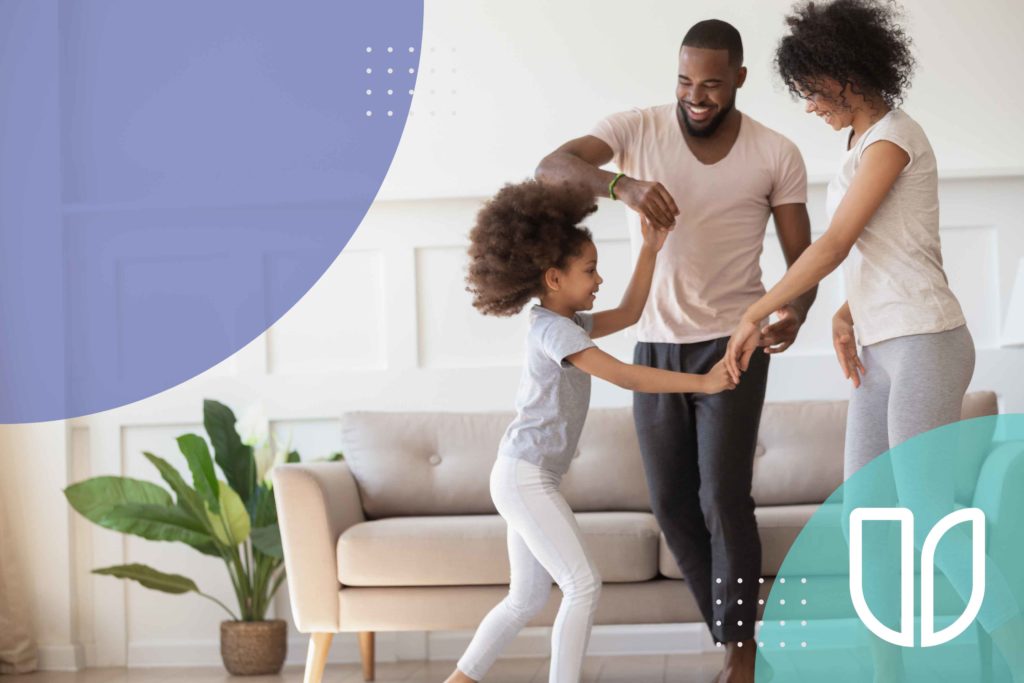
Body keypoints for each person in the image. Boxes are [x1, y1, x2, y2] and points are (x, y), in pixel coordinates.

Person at [724, 1, 1024, 680]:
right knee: (868, 517)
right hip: (881, 346)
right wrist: (844, 312)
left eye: (810, 91)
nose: (808, 106)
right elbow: (878, 249)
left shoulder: (893, 139)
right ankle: (887, 672)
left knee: (925, 511)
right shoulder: (857, 143)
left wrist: (752, 313)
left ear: (844, 73)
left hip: (925, 340)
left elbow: (832, 243)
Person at [535, 19, 815, 683]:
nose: (696, 96)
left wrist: (793, 313)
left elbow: (803, 261)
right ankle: (737, 635)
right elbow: (550, 168)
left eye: (712, 84)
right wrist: (621, 186)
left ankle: (740, 658)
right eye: (685, 81)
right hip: (656, 346)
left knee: (724, 495)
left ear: (740, 79)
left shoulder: (777, 153)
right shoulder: (638, 130)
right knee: (670, 503)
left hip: (734, 342)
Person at [444, 180, 735, 683]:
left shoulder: (565, 320)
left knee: (526, 597)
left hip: (524, 473)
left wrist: (650, 249)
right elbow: (624, 374)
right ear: (554, 278)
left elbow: (629, 313)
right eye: (590, 270)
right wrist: (704, 382)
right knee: (583, 585)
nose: (598, 278)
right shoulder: (556, 331)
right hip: (524, 476)